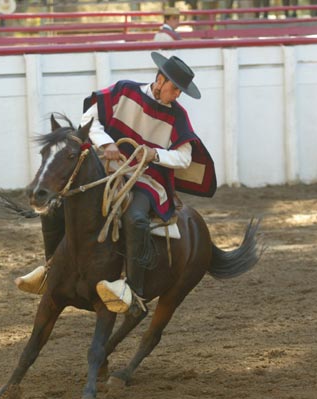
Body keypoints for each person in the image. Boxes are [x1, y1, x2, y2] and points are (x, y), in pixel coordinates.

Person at [16, 52, 217, 315]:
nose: (177, 95)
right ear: (160, 80)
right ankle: (50, 268)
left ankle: (132, 290)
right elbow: (89, 120)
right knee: (55, 206)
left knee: (136, 219)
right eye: (175, 88)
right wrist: (107, 144)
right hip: (105, 169)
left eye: (180, 91)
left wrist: (154, 154)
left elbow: (184, 158)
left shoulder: (178, 116)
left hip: (146, 180)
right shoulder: (124, 91)